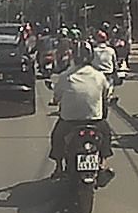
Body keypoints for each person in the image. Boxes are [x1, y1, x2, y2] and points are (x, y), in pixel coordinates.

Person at [49, 42, 114, 179]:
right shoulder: (99, 76)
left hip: (69, 122)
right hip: (95, 121)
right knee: (107, 134)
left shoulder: (65, 76)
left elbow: (56, 96)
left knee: (57, 136)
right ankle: (103, 163)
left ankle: (59, 167)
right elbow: (106, 94)